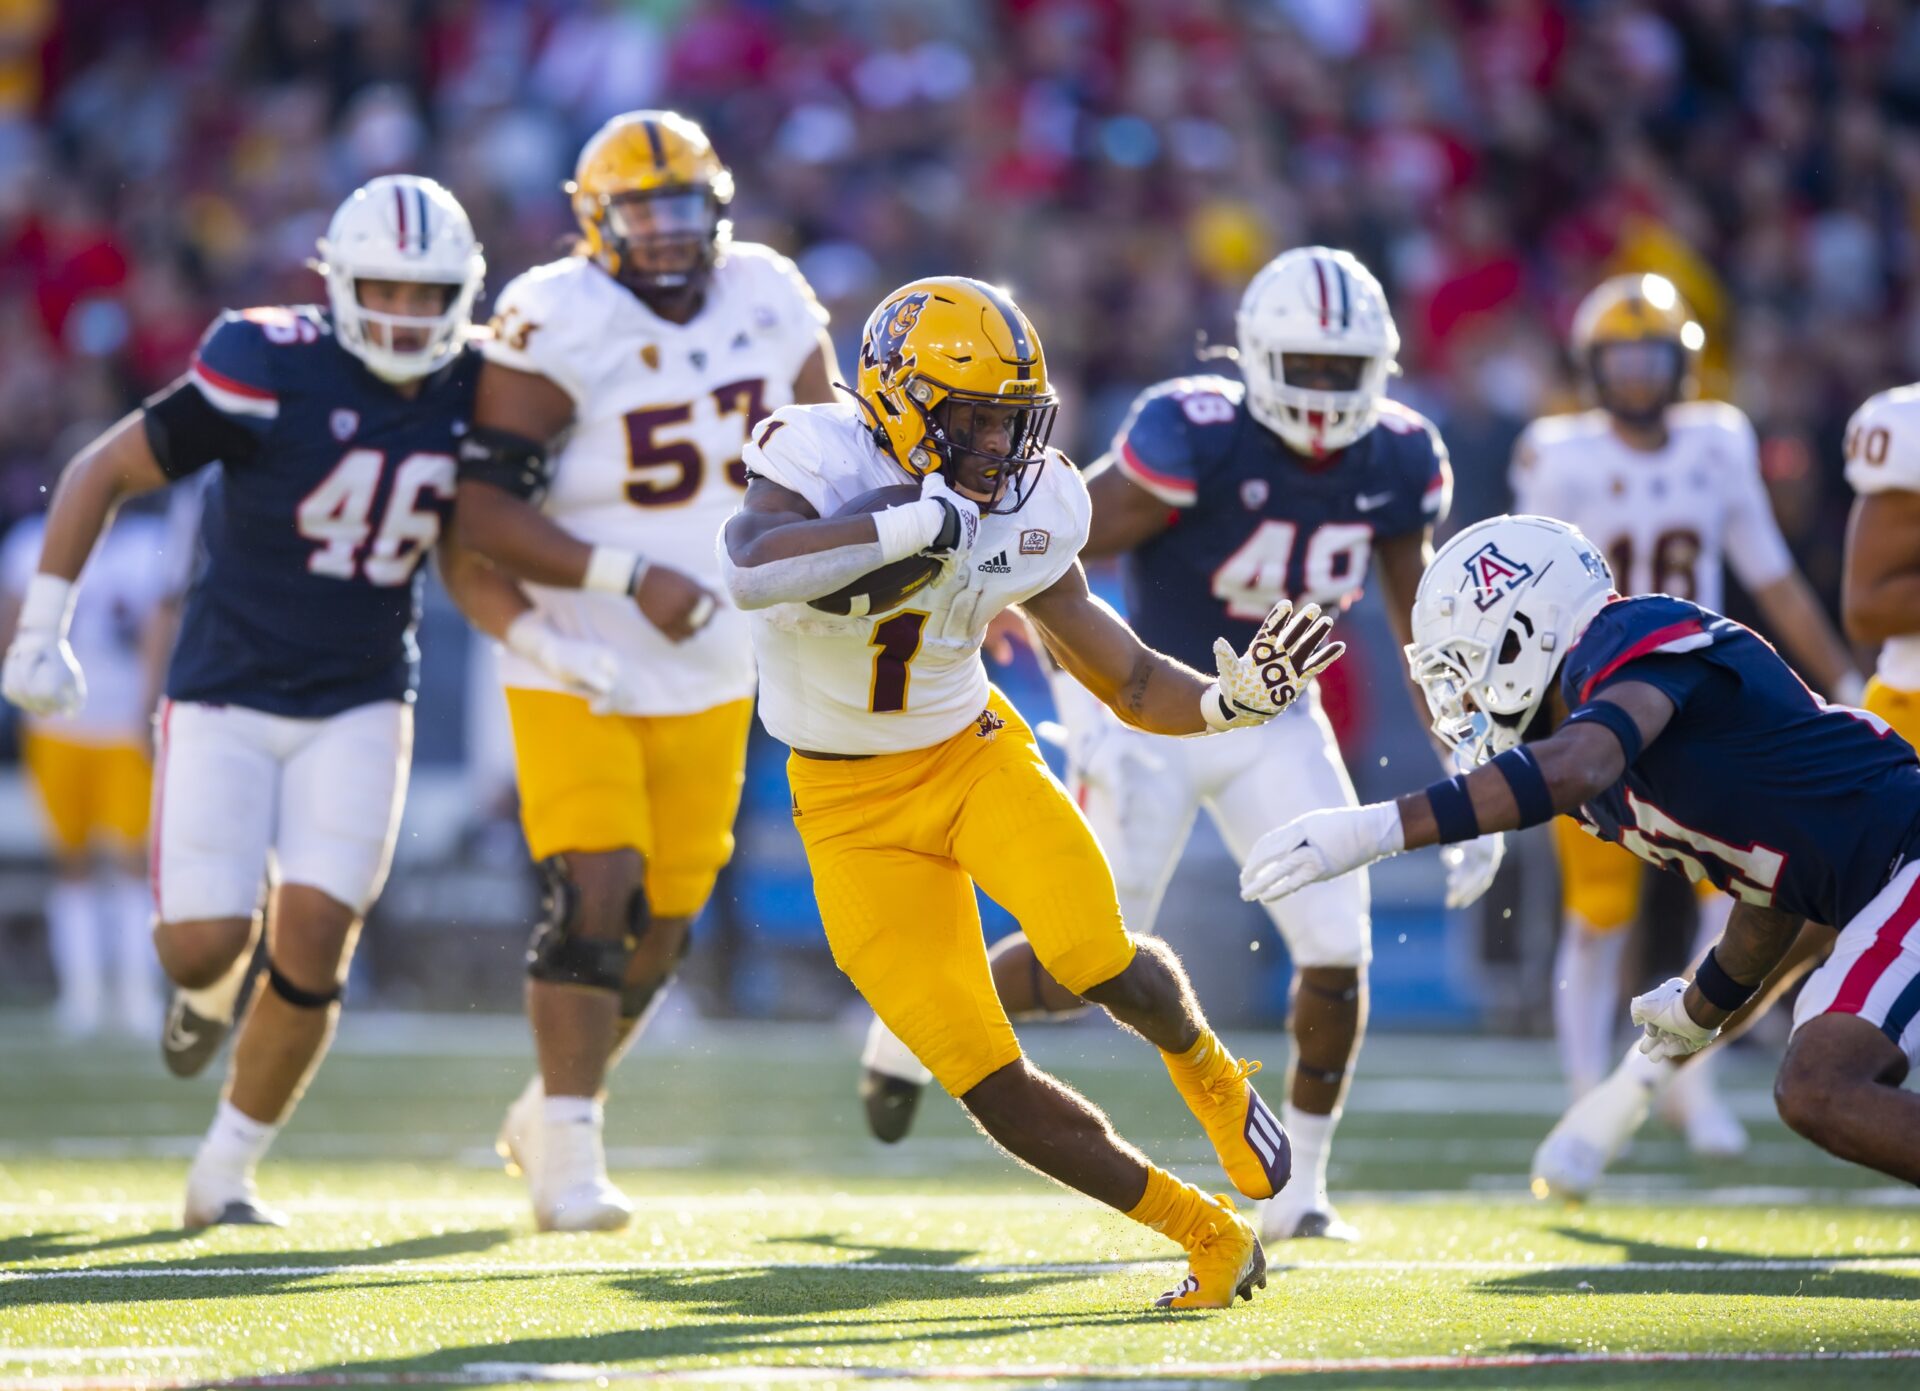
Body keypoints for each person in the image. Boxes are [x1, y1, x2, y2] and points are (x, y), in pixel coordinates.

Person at [0, 175, 617, 1227]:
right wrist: (39, 625)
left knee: (318, 936)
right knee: (203, 943)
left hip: (363, 690)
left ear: (463, 293)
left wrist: (537, 634)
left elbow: (467, 554)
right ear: (338, 283)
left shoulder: (475, 388)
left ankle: (226, 1168)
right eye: (387, 288)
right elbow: (105, 467)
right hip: (225, 687)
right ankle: (201, 996)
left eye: (432, 294)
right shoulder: (266, 359)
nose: (409, 314)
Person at [721, 276, 1345, 1309]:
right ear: (893, 395)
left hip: (971, 755)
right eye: (969, 414)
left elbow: (1131, 675)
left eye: (1012, 417)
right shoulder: (818, 452)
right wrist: (905, 524)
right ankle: (1207, 1234)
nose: (995, 442)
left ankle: (1211, 1073)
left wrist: (1226, 705)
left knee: (1090, 950)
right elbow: (752, 568)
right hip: (845, 808)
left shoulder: (1040, 493)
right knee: (984, 1076)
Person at [855, 247, 1497, 1243]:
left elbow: (1421, 624)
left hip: (1275, 718)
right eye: (1308, 365)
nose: (1326, 391)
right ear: (1255, 355)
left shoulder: (1403, 455)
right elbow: (1056, 531)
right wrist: (1022, 614)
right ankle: (912, 1023)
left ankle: (1301, 1188)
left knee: (1337, 943)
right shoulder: (1195, 429)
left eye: (1345, 368)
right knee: (1083, 966)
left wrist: (1469, 761)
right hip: (1150, 714)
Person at [1239, 514, 1920, 1191]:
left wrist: (1375, 829)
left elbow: (1578, 763)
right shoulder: (1592, 778)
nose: (1462, 696)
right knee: (1820, 1081)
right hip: (1882, 884)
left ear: (1525, 633)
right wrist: (1699, 1009)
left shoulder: (1626, 639)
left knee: (1821, 1084)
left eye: (1465, 664)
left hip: (1905, 855)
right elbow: (1773, 887)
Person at [451, 110, 840, 1232]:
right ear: (594, 219)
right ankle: (572, 1147)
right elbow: (480, 511)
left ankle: (548, 1107)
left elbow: (831, 451)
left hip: (720, 661)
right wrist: (627, 577)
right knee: (597, 886)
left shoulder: (768, 290)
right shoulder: (554, 314)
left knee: (666, 917)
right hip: (578, 653)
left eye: (683, 208)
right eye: (641, 211)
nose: (666, 233)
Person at [1513, 274, 1864, 1195]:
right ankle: (1587, 1092)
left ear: (1685, 365)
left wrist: (1844, 681)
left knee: (1737, 894)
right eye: (1618, 361)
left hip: (1702, 706)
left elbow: (1772, 574)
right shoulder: (1560, 456)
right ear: (1591, 368)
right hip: (1595, 705)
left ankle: (1690, 1084)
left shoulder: (1717, 441)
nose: (1635, 379)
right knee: (1598, 914)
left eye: (1651, 359)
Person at [0, 506, 168, 1039]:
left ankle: (137, 993)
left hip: (123, 723)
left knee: (131, 859)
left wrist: (150, 705)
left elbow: (161, 630)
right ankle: (84, 993)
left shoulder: (148, 543)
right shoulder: (31, 540)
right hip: (54, 728)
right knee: (69, 861)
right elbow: (10, 625)